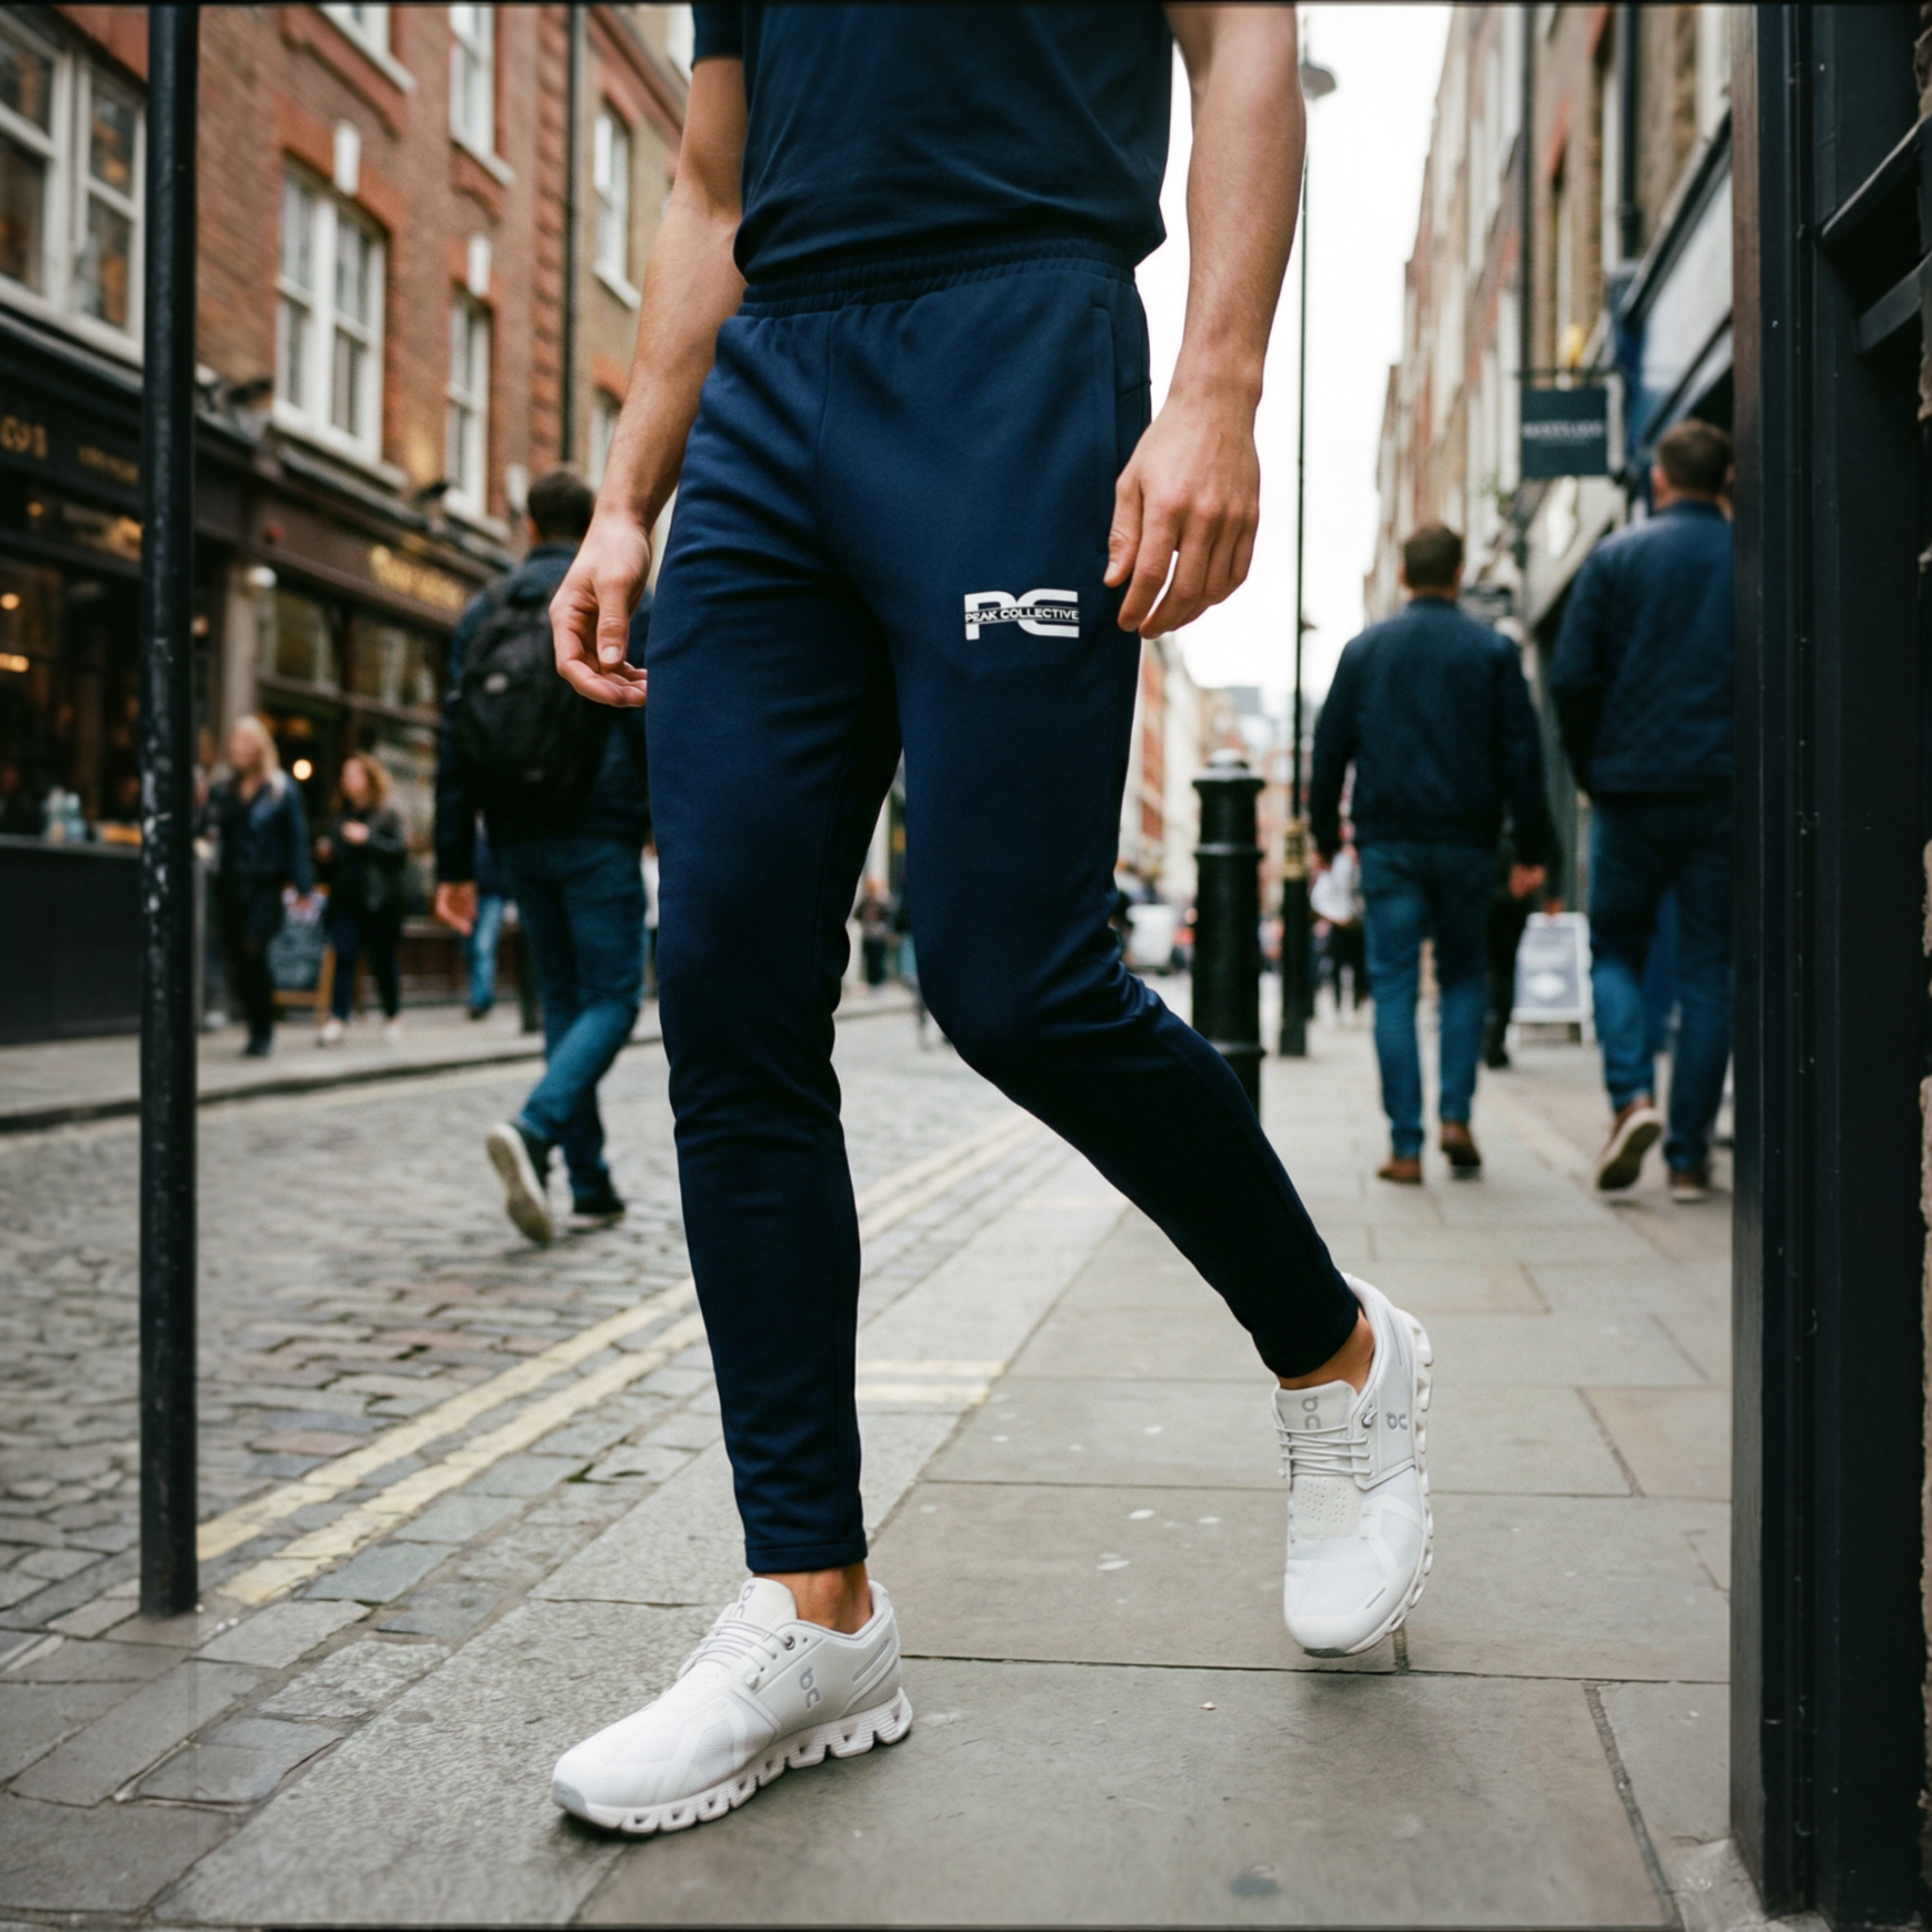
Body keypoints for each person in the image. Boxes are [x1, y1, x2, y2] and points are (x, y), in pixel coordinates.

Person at [541, 6, 1435, 1840]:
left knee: (1012, 978)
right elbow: (711, 179)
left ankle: (1338, 1356)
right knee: (720, 986)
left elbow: (1240, 39)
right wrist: (629, 492)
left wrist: (1215, 386)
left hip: (1016, 349)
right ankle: (815, 1604)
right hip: (771, 396)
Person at [433, 467, 650, 1242]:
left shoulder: (484, 609)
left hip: (516, 831)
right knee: (615, 996)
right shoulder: (616, 596)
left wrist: (454, 864)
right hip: (599, 826)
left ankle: (589, 1184)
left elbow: (455, 745)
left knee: (565, 1000)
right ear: (590, 523)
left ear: (527, 525)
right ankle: (533, 1129)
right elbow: (644, 709)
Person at [1310, 525, 1555, 1185]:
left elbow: (1328, 750)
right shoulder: (1493, 651)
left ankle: (1406, 1145)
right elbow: (1522, 755)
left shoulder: (1364, 651)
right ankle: (1456, 1116)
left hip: (1388, 842)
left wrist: (1327, 842)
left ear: (1401, 574)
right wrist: (1534, 847)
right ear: (1458, 573)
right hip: (1469, 841)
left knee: (1391, 984)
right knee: (1463, 977)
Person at [1549, 417, 1735, 1201]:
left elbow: (1572, 677)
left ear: (1658, 480)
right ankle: (1689, 1158)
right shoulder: (1751, 555)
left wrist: (1594, 769)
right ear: (1726, 483)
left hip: (1628, 790)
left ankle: (1632, 1099)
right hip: (1724, 791)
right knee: (1708, 971)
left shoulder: (1615, 557)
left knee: (1617, 949)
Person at [207, 716, 313, 1058]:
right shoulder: (223, 788)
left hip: (266, 885)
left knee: (254, 947)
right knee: (235, 957)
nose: (239, 749)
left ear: (259, 747)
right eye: (235, 742)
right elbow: (208, 829)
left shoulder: (281, 788)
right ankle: (253, 1017)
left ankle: (263, 1029)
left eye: (246, 743)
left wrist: (303, 887)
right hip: (230, 885)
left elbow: (297, 839)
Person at [315, 751, 408, 1046]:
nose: (347, 781)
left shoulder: (387, 815)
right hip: (345, 901)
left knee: (383, 963)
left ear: (368, 779)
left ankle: (393, 1016)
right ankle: (337, 1019)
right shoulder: (340, 815)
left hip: (379, 904)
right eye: (345, 775)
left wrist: (367, 839)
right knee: (343, 957)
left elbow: (400, 854)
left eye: (353, 774)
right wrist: (325, 854)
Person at [1309, 827, 1365, 1020]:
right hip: (1340, 924)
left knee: (1353, 966)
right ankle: (1342, 1008)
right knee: (1339, 966)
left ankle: (1352, 1007)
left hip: (1351, 923)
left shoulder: (1343, 866)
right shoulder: (1329, 872)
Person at [466, 822, 508, 1021]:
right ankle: (482, 995)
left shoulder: (494, 835)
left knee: (483, 947)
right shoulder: (465, 835)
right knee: (469, 949)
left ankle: (479, 1001)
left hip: (492, 897)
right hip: (467, 898)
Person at [855, 877, 893, 988]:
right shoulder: (865, 901)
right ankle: (871, 982)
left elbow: (888, 917)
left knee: (878, 959)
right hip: (868, 934)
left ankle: (879, 982)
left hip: (879, 934)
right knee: (869, 959)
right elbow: (857, 915)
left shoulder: (883, 901)